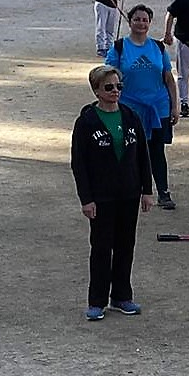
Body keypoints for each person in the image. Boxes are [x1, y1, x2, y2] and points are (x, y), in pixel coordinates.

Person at [71, 65, 153, 321]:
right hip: (102, 196)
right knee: (101, 248)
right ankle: (97, 300)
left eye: (118, 86)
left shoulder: (130, 116)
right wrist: (86, 198)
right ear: (96, 90)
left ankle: (121, 295)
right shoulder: (86, 122)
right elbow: (79, 163)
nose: (115, 91)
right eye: (109, 87)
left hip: (128, 192)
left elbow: (143, 155)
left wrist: (147, 190)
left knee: (126, 246)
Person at [104, 5, 180, 210]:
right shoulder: (119, 48)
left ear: (150, 23)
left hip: (158, 107)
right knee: (130, 151)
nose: (141, 23)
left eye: (145, 20)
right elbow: (108, 77)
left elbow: (168, 78)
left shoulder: (158, 47)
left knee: (157, 151)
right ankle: (130, 192)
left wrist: (175, 106)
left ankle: (163, 192)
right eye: (137, 19)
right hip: (129, 109)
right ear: (130, 22)